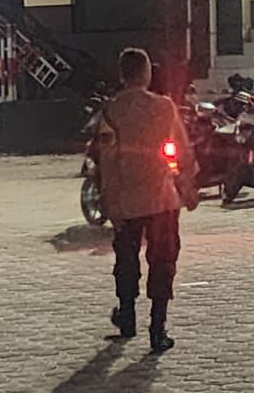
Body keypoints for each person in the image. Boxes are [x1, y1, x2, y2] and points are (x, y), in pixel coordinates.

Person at [93, 47, 198, 354]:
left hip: (126, 200)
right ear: (147, 73)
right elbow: (181, 150)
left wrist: (109, 201)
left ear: (122, 75)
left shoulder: (111, 111)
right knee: (163, 261)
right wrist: (188, 187)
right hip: (161, 199)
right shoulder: (164, 107)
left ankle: (127, 316)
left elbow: (107, 159)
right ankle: (157, 327)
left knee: (126, 260)